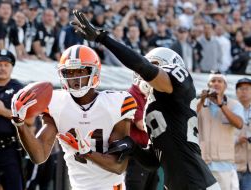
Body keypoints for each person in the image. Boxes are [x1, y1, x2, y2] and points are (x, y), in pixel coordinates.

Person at [70, 10, 220, 190]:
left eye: (155, 65)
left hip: (197, 182)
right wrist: (133, 147)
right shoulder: (153, 105)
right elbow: (154, 161)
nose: (144, 75)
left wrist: (104, 39)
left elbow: (143, 67)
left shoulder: (180, 83)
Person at [11, 44, 137, 190]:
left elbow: (119, 166)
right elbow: (39, 156)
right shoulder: (56, 103)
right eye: (69, 72)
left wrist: (87, 152)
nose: (75, 77)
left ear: (94, 72)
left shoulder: (116, 103)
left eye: (80, 71)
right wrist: (19, 124)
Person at [197, 72, 244, 190]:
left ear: (225, 86)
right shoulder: (199, 103)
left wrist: (221, 105)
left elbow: (239, 124)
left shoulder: (235, 105)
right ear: (208, 85)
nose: (216, 83)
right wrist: (201, 100)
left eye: (220, 81)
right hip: (203, 163)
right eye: (213, 81)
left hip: (224, 166)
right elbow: (189, 117)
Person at [0, 49, 33, 190]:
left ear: (12, 67)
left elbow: (29, 120)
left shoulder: (19, 90)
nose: (2, 68)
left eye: (6, 65)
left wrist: (3, 112)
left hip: (9, 149)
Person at [125, 74, 158, 190]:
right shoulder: (132, 94)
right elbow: (140, 124)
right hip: (138, 152)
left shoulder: (151, 93)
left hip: (151, 150)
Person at [235, 78, 251, 190]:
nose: (244, 91)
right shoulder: (229, 109)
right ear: (236, 92)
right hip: (232, 165)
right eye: (241, 88)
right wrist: (237, 140)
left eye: (247, 88)